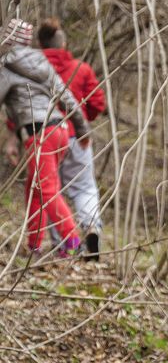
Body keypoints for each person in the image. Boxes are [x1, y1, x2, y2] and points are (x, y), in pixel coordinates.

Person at [0, 17, 90, 256]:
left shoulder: (7, 65)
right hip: (59, 130)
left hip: (40, 134)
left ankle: (73, 242)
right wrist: (81, 130)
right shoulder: (41, 61)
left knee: (47, 189)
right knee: (35, 190)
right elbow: (66, 95)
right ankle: (35, 245)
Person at [36, 18, 105, 260]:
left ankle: (63, 245)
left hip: (46, 138)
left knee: (55, 192)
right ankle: (90, 226)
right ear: (63, 44)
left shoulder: (33, 70)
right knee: (84, 188)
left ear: (41, 45)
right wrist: (87, 118)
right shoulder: (82, 69)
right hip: (78, 136)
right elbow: (98, 102)